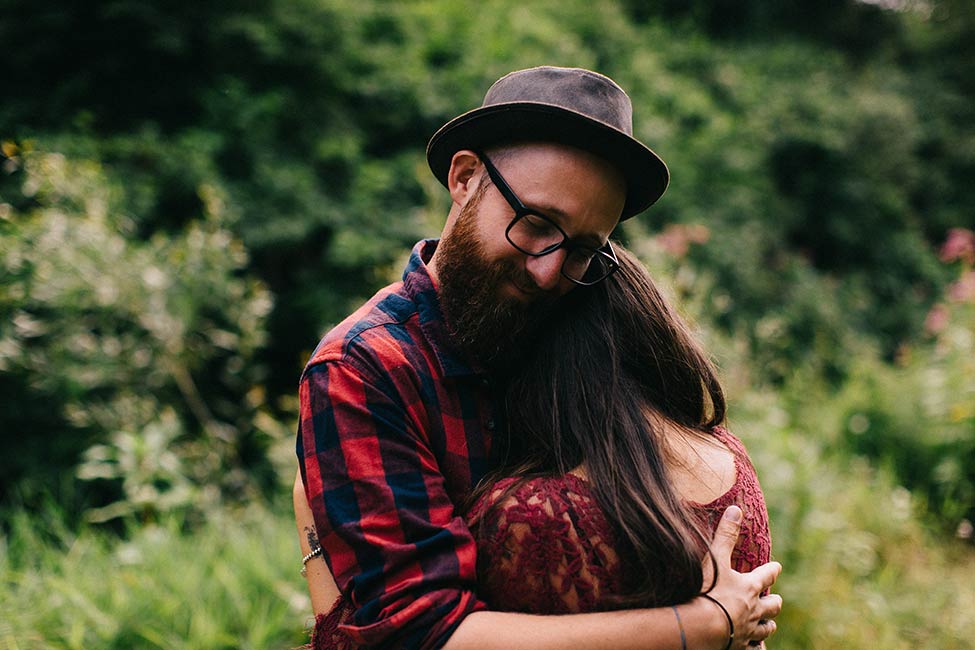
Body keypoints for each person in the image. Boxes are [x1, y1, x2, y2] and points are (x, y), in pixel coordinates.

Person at [296, 66, 782, 649]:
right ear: (466, 177)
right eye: (535, 225)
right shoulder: (367, 369)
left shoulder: (578, 316)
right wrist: (696, 626)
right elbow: (418, 634)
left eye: (581, 249)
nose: (550, 270)